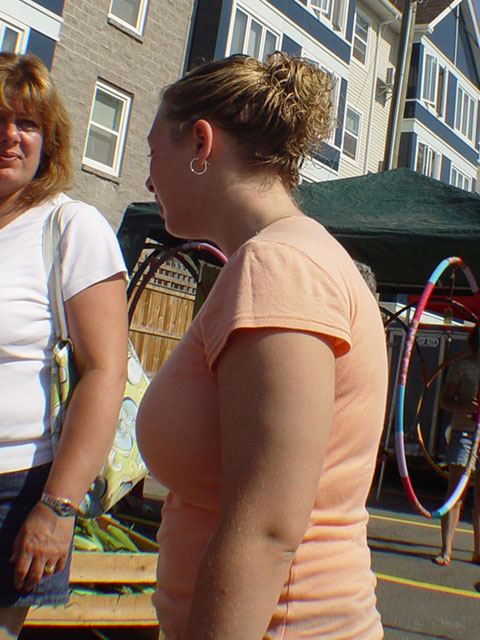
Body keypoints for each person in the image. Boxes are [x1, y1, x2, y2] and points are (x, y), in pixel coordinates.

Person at [137, 52, 388, 640]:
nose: (147, 180)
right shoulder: (289, 257)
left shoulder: (278, 267)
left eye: (151, 153)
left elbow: (267, 530)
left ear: (201, 143)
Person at [0, 52, 128, 639]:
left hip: (15, 489)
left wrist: (57, 507)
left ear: (47, 140)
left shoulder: (71, 227)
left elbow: (104, 372)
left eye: (27, 123)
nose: (10, 135)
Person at [433, 327, 480, 567]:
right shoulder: (462, 367)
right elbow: (444, 401)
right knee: (456, 493)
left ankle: (478, 552)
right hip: (464, 433)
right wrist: (466, 407)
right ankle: (446, 549)